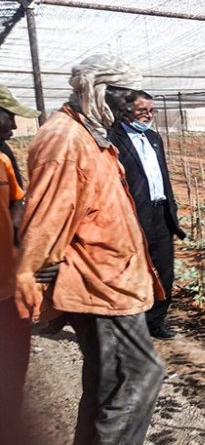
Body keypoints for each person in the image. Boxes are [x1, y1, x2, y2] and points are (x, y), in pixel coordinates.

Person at [15, 54, 166, 445]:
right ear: (97, 90)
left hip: (111, 277)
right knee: (137, 376)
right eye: (126, 95)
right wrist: (32, 274)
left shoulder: (89, 133)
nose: (133, 104)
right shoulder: (66, 139)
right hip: (99, 284)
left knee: (108, 382)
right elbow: (47, 215)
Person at [108, 90, 185, 340]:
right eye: (143, 111)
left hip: (160, 213)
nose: (149, 116)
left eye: (152, 111)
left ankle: (155, 321)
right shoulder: (111, 138)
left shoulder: (154, 138)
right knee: (133, 269)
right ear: (126, 110)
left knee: (164, 270)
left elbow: (162, 175)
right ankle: (130, 323)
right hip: (131, 215)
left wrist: (171, 210)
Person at [0, 86, 39, 445]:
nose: (13, 124)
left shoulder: (4, 157)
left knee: (12, 371)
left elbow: (16, 206)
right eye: (7, 115)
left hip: (7, 288)